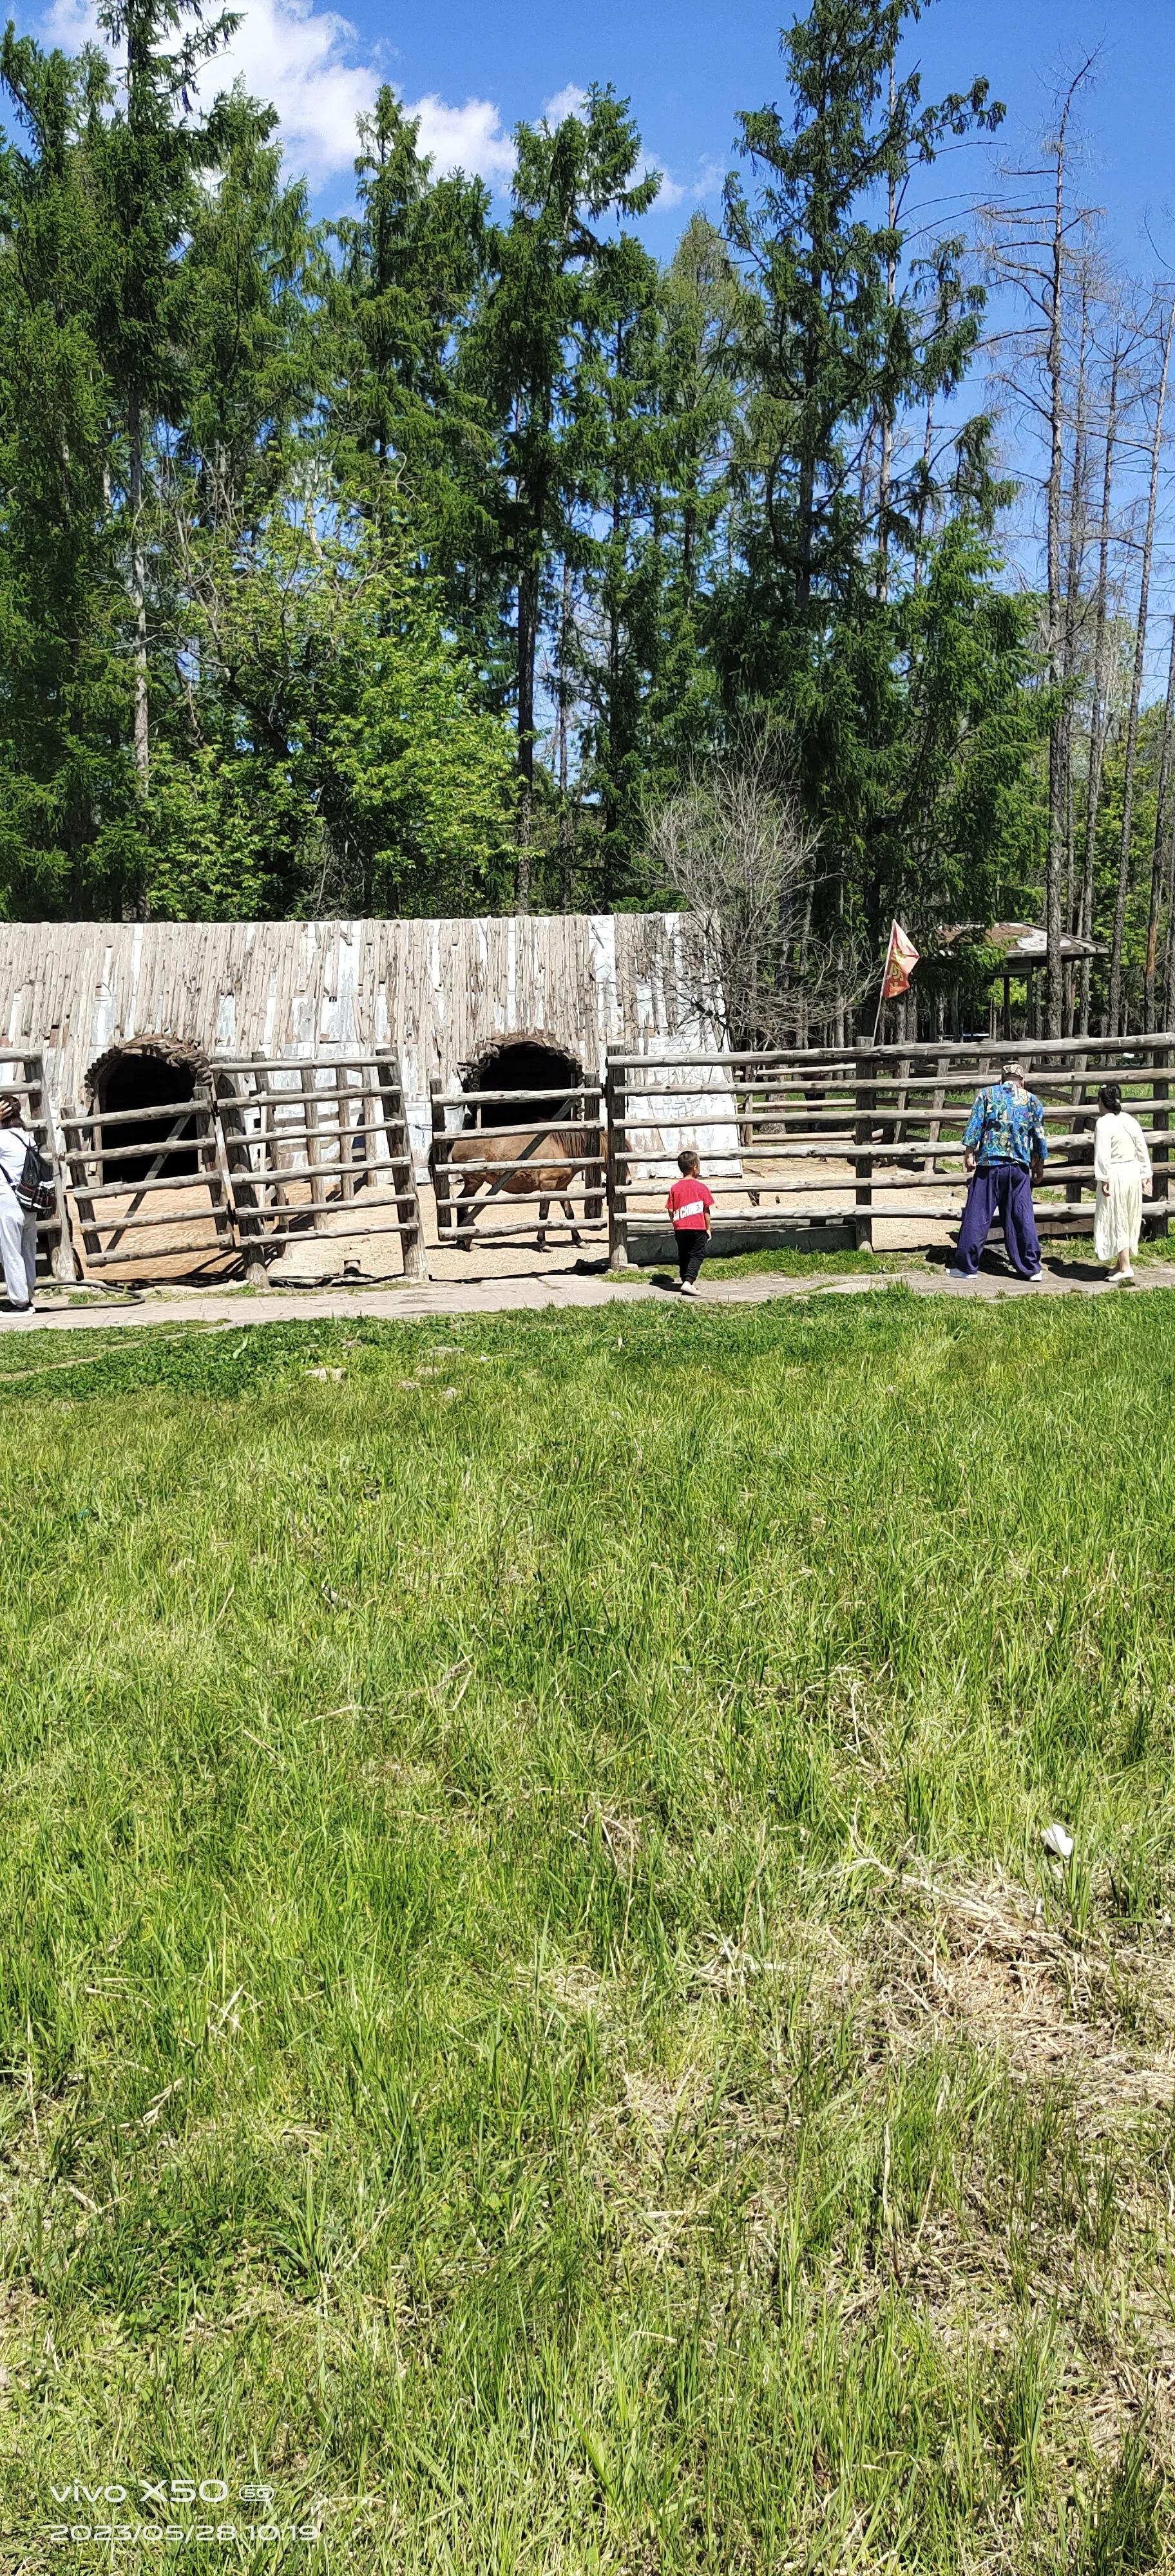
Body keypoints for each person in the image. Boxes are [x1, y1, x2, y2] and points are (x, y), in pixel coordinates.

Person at [948, 1057, 1047, 1282]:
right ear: (1023, 1080)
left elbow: (975, 1124)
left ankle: (967, 1266)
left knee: (979, 1214)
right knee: (1021, 1216)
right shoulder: (1032, 1101)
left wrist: (969, 1152)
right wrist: (1039, 1162)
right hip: (1019, 1165)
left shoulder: (987, 1095)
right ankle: (1031, 1267)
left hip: (990, 1163)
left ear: (1002, 1079)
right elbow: (1039, 1134)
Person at [1093, 1081, 1152, 1283]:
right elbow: (1141, 1147)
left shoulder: (1103, 1123)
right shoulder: (1129, 1119)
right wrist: (1146, 1173)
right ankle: (1120, 1263)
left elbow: (1103, 1154)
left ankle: (1126, 1267)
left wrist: (1104, 1178)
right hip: (1133, 1172)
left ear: (1102, 1101)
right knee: (1127, 1215)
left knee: (1117, 1218)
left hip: (1117, 1173)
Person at [0, 1091, 38, 1314]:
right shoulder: (27, 1138)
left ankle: (19, 1303)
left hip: (8, 1202)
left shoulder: (2, 1138)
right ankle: (27, 1297)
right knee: (27, 1251)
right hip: (28, 1201)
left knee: (11, 1253)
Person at [665, 1147, 713, 1296]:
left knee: (684, 1254)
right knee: (697, 1254)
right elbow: (706, 1210)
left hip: (680, 1228)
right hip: (698, 1227)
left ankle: (684, 1278)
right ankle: (689, 1281)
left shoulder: (675, 1188)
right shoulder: (701, 1188)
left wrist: (675, 1222)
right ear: (695, 1168)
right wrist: (708, 1228)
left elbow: (670, 1209)